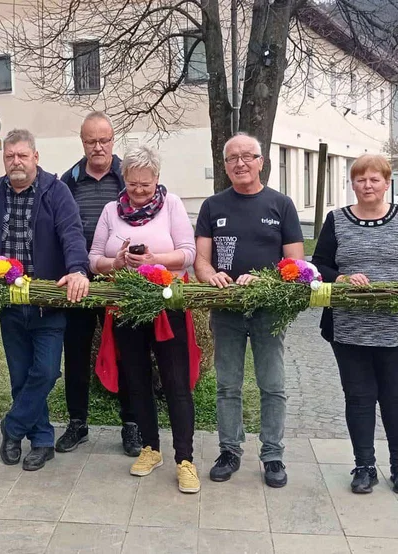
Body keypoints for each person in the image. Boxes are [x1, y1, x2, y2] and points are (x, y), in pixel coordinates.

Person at [0, 129, 91, 472]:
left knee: (47, 370)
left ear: (35, 157)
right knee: (20, 374)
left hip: (47, 301)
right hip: (8, 303)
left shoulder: (57, 192)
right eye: (10, 156)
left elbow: (71, 234)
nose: (16, 162)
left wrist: (79, 270)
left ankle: (12, 427)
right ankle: (41, 441)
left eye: (22, 155)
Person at [310, 154, 398, 495]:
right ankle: (364, 466)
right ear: (352, 183)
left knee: (395, 398)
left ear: (386, 183)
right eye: (360, 179)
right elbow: (319, 265)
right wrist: (343, 278)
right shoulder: (336, 220)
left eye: (374, 179)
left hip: (397, 328)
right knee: (359, 397)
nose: (367, 185)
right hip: (348, 327)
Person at [194, 133, 304, 488]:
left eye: (247, 156)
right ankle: (229, 450)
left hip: (268, 310)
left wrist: (264, 281)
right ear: (224, 166)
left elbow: (296, 264)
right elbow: (201, 261)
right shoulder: (213, 206)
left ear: (261, 161)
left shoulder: (281, 205)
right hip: (226, 310)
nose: (240, 163)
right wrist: (211, 277)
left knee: (272, 385)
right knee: (228, 385)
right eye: (232, 159)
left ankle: (272, 455)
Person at [89, 145, 201, 493]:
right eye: (133, 184)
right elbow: (93, 258)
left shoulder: (173, 205)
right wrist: (117, 262)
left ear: (157, 180)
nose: (139, 191)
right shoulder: (111, 210)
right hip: (126, 306)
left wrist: (156, 259)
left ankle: (185, 459)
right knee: (135, 378)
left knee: (175, 381)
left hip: (167, 305)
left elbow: (189, 253)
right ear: (124, 179)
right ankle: (151, 448)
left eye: (146, 185)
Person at [56, 111, 140, 457]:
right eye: (91, 141)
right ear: (82, 142)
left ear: (113, 139)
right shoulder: (68, 181)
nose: (98, 147)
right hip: (80, 279)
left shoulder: (128, 176)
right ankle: (77, 423)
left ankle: (132, 425)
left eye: (104, 140)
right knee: (75, 353)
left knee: (128, 353)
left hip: (122, 281)